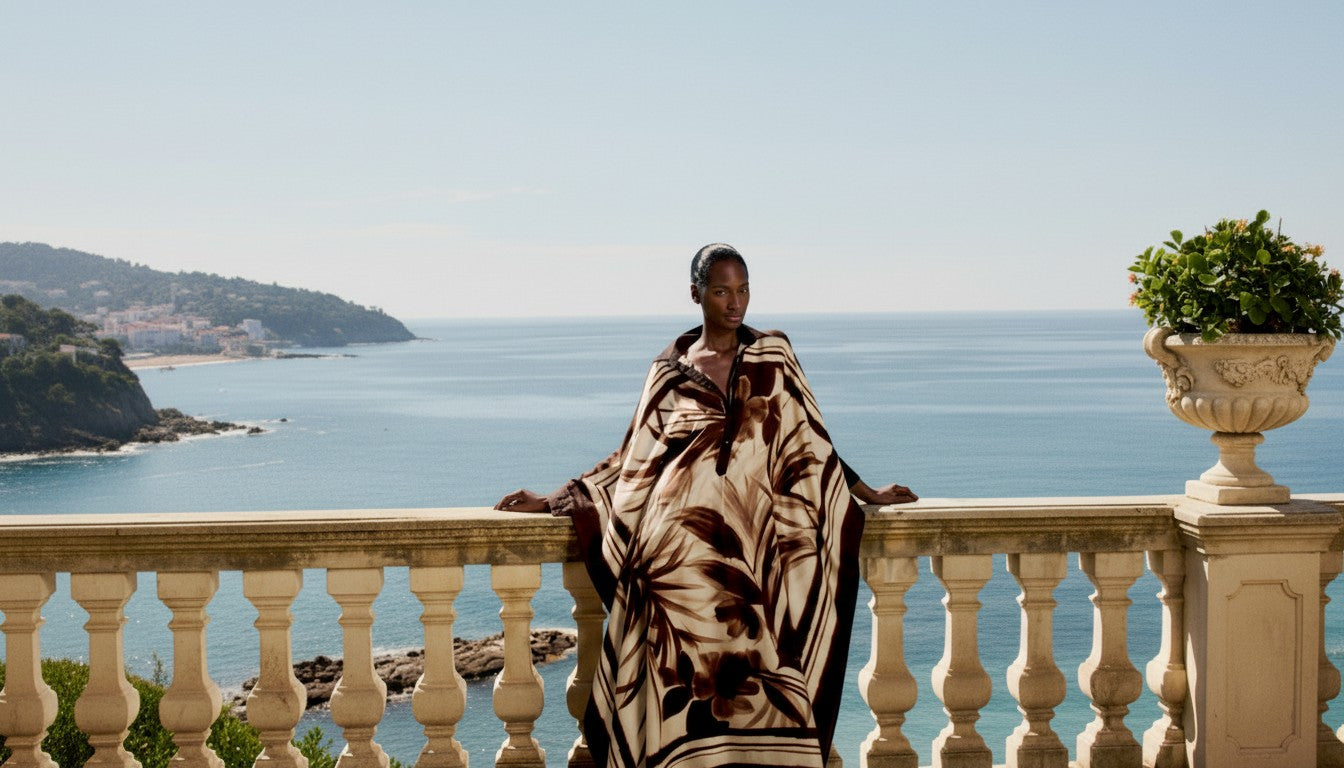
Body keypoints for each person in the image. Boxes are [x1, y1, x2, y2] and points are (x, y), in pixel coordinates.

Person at [496, 243, 917, 768]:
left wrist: (865, 492)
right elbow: (632, 457)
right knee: (682, 666)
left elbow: (810, 443)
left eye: (743, 290)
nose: (734, 303)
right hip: (675, 554)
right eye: (721, 291)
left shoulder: (774, 356)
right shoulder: (668, 371)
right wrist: (557, 498)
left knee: (756, 665)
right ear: (696, 294)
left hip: (748, 549)